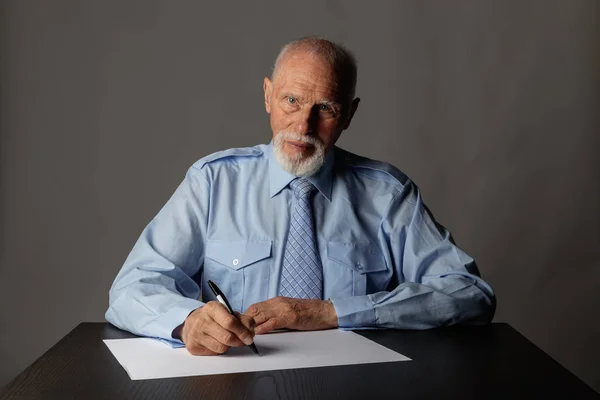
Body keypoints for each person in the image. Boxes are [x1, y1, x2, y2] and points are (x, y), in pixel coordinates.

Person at [105, 36, 496, 356]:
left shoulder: (387, 194)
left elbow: (470, 293)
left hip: (358, 387)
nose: (302, 125)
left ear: (348, 115)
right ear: (268, 96)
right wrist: (188, 320)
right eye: (291, 101)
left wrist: (331, 313)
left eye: (324, 107)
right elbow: (131, 288)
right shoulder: (212, 183)